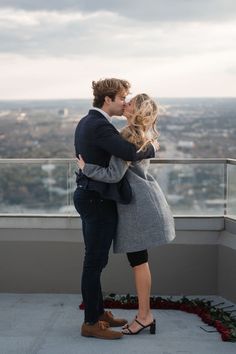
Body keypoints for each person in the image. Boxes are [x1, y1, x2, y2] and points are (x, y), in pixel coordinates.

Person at [77, 93, 176, 335]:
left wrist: (85, 168)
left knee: (138, 261)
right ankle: (145, 315)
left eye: (129, 102)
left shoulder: (129, 135)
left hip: (136, 207)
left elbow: (113, 175)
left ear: (136, 110)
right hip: (141, 202)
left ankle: (144, 316)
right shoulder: (143, 134)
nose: (125, 103)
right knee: (140, 261)